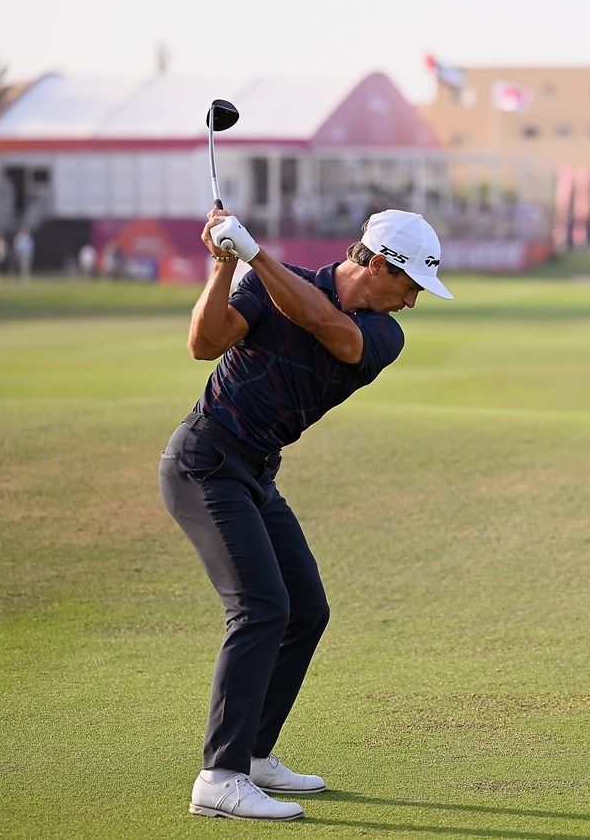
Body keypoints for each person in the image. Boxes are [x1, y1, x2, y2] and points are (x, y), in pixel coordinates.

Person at [158, 206, 452, 822]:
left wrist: (255, 255)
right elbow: (203, 344)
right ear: (375, 263)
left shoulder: (381, 336)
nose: (412, 302)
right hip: (206, 460)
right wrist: (224, 266)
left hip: (257, 473)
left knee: (305, 608)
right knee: (261, 606)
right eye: (409, 285)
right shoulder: (269, 283)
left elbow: (324, 324)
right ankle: (221, 775)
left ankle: (254, 752)